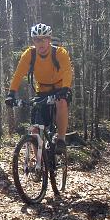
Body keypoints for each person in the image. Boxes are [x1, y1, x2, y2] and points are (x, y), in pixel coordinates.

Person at [5, 24, 73, 154]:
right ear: (33, 41)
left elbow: (67, 72)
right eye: (37, 40)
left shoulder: (59, 53)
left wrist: (65, 89)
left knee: (61, 102)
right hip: (42, 90)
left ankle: (61, 140)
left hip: (60, 88)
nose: (40, 43)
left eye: (43, 39)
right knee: (35, 128)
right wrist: (11, 93)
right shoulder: (29, 54)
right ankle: (39, 162)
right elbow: (18, 74)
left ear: (49, 40)